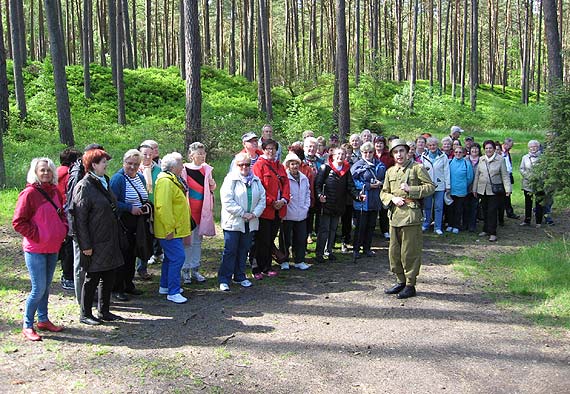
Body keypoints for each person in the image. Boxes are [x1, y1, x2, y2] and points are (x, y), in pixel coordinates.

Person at [13, 158, 68, 341]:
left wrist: (62, 229)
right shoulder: (29, 194)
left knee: (46, 288)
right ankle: (27, 324)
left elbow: (62, 214)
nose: (45, 173)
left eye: (48, 170)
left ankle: (43, 319)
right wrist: (38, 235)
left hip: (53, 247)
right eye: (42, 170)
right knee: (38, 288)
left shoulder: (55, 192)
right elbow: (18, 222)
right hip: (35, 248)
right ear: (35, 172)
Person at [72, 149, 125, 325]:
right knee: (92, 278)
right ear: (93, 165)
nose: (106, 164)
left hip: (109, 239)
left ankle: (104, 311)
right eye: (103, 161)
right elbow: (80, 220)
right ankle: (85, 313)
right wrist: (85, 245)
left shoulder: (104, 181)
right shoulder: (84, 186)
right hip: (94, 241)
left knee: (109, 275)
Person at [380, 140, 435, 299]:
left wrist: (411, 189)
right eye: (396, 152)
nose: (399, 155)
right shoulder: (390, 171)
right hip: (395, 216)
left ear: (407, 152)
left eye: (401, 151)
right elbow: (384, 192)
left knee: (409, 251)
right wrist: (392, 198)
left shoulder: (416, 168)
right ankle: (400, 281)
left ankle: (410, 284)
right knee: (394, 252)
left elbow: (430, 187)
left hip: (411, 216)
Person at [218, 153, 266, 291]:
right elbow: (227, 201)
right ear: (236, 165)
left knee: (243, 250)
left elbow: (262, 199)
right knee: (230, 250)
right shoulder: (230, 180)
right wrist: (242, 213)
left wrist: (254, 214)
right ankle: (224, 279)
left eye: (247, 164)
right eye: (241, 164)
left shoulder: (256, 180)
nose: (244, 167)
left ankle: (240, 276)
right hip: (234, 222)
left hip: (250, 222)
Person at [65, 143, 105, 305]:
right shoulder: (78, 175)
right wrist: (76, 231)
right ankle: (81, 299)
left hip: (93, 227)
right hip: (79, 229)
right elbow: (74, 206)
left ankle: (89, 294)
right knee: (81, 265)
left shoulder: (95, 175)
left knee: (90, 264)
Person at [110, 149, 148, 301]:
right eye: (129, 163)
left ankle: (129, 284)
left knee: (132, 254)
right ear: (123, 162)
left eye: (136, 164)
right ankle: (117, 288)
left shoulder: (140, 177)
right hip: (123, 222)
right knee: (122, 256)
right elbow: (112, 202)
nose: (132, 167)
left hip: (137, 222)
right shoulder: (118, 179)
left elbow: (144, 195)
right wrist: (129, 208)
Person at [314, 147, 363, 263]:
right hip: (326, 204)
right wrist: (319, 195)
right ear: (333, 155)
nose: (340, 156)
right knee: (324, 229)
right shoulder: (325, 168)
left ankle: (329, 251)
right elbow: (317, 185)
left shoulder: (346, 171)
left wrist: (358, 196)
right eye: (338, 154)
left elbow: (351, 187)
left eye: (343, 154)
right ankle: (319, 253)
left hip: (339, 205)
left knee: (333, 229)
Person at [154, 153, 191, 303]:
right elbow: (163, 207)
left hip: (175, 228)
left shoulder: (172, 180)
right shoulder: (165, 182)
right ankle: (173, 291)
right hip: (169, 230)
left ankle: (165, 286)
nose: (183, 166)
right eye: (181, 164)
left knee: (170, 258)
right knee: (178, 257)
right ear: (173, 167)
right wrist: (169, 228)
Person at [251, 139, 290, 279]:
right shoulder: (259, 166)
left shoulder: (279, 166)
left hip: (278, 210)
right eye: (268, 149)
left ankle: (267, 267)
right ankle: (256, 268)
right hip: (265, 210)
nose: (270, 151)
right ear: (263, 150)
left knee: (270, 239)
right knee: (261, 239)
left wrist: (284, 200)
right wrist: (272, 201)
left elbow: (286, 184)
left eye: (273, 149)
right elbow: (259, 187)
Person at [181, 142, 216, 284]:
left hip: (203, 209)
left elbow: (211, 187)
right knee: (187, 242)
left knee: (198, 241)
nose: (202, 156)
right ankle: (185, 270)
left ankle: (195, 269)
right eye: (199, 153)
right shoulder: (184, 168)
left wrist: (212, 183)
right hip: (189, 210)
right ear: (191, 155)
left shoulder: (207, 168)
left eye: (203, 153)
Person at [351, 142, 386, 259]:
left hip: (375, 199)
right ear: (361, 153)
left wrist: (381, 183)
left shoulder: (380, 165)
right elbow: (352, 182)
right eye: (365, 152)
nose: (368, 154)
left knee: (371, 225)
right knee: (361, 225)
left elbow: (385, 178)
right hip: (363, 199)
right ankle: (356, 249)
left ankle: (367, 248)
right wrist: (367, 185)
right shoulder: (357, 165)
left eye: (370, 152)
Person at [473, 140, 512, 242]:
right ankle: (485, 229)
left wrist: (508, 189)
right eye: (486, 148)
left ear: (494, 149)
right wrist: (474, 189)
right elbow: (477, 175)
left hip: (495, 190)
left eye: (490, 148)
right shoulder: (481, 159)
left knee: (492, 211)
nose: (488, 150)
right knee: (484, 210)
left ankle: (493, 232)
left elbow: (505, 175)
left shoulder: (500, 160)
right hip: (482, 189)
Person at [56, 147, 81, 291]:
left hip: (58, 214)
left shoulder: (55, 173)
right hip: (67, 215)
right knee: (69, 248)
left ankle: (66, 276)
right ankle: (67, 277)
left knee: (65, 246)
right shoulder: (69, 174)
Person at [280, 153, 311, 270]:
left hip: (301, 214)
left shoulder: (304, 178)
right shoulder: (284, 178)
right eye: (292, 164)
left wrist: (306, 207)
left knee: (301, 238)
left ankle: (299, 260)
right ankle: (284, 260)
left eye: (296, 164)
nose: (294, 166)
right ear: (288, 165)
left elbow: (308, 194)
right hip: (288, 214)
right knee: (285, 239)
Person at [136, 143, 162, 279]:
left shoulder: (158, 170)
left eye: (150, 154)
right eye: (144, 154)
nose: (147, 157)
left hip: (154, 208)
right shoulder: (135, 169)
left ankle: (143, 267)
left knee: (148, 237)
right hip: (138, 208)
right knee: (138, 238)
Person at [420, 137, 450, 235]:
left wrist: (448, 185)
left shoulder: (443, 156)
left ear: (437, 146)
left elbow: (446, 171)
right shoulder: (424, 156)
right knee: (427, 206)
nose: (432, 147)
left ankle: (437, 227)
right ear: (427, 146)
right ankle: (426, 224)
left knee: (438, 207)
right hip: (427, 185)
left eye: (434, 145)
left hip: (440, 185)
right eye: (430, 145)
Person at [447, 147, 474, 233]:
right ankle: (450, 224)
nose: (458, 153)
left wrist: (463, 185)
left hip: (461, 191)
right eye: (456, 152)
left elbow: (470, 177)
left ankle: (456, 225)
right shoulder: (449, 162)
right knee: (450, 209)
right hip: (450, 190)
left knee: (459, 209)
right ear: (454, 153)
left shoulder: (467, 163)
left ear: (463, 154)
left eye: (460, 152)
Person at [519, 140, 543, 228]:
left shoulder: (542, 157)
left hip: (539, 184)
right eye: (531, 147)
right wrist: (529, 176)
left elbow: (546, 170)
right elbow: (522, 169)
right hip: (527, 183)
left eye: (535, 146)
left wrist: (538, 176)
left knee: (539, 203)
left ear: (538, 147)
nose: (533, 148)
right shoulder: (525, 157)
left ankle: (538, 221)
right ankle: (527, 220)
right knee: (528, 202)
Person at [464, 143, 482, 232]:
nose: (474, 151)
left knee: (474, 207)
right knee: (466, 206)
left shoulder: (482, 160)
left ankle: (472, 225)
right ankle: (465, 224)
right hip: (466, 187)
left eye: (476, 149)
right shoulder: (465, 160)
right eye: (473, 149)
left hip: (477, 187)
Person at [502, 137, 519, 219]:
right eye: (510, 146)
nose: (511, 147)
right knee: (505, 195)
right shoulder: (500, 152)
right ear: (505, 144)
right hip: (502, 176)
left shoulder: (507, 152)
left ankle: (509, 212)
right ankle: (508, 212)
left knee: (508, 194)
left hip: (509, 175)